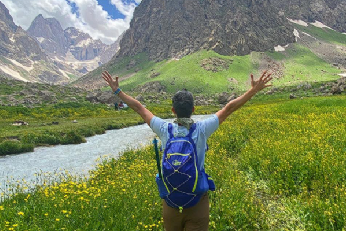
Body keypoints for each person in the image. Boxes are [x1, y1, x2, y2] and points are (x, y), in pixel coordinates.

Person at [102, 70, 273, 231]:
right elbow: (228, 109)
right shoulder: (201, 129)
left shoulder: (164, 129)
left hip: (171, 203)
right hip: (197, 201)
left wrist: (118, 92)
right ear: (193, 110)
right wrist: (254, 90)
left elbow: (140, 108)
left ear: (173, 111)